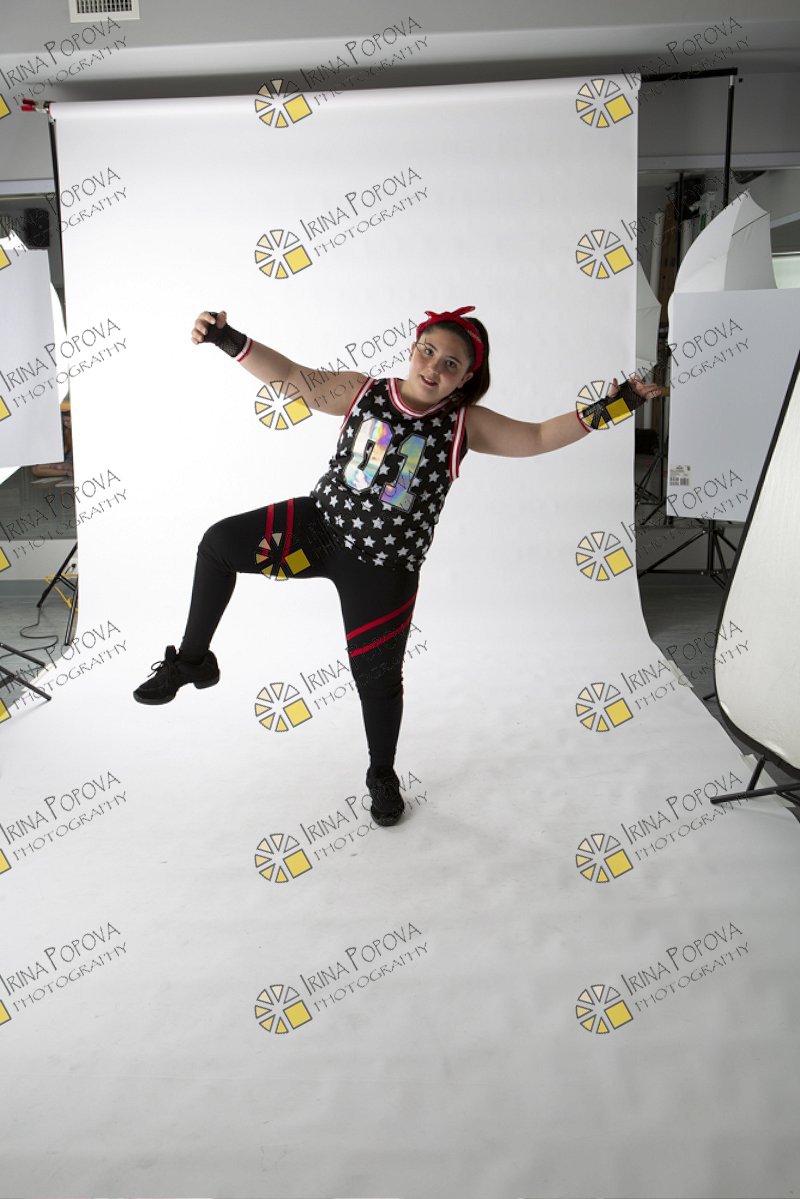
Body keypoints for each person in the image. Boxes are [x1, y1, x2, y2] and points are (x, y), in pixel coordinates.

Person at [133, 305, 661, 826]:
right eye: (427, 352)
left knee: (377, 678)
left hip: (383, 569)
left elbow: (539, 436)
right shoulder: (362, 391)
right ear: (413, 349)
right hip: (315, 533)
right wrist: (227, 339)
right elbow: (292, 376)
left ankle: (381, 774)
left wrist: (619, 404)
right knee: (218, 545)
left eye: (450, 364)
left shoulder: (464, 424)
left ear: (466, 377)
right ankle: (194, 661)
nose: (433, 368)